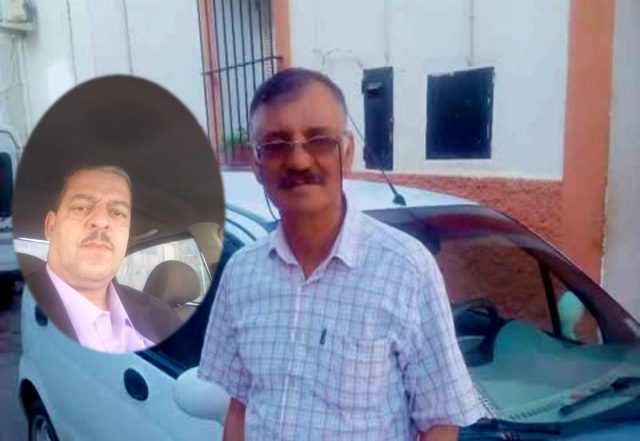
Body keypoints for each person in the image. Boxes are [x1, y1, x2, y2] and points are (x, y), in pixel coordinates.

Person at [198, 68, 485, 440]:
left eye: (318, 140)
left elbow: (440, 423)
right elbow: (240, 406)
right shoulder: (240, 274)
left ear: (346, 153)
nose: (299, 161)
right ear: (257, 164)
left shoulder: (406, 270)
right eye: (276, 144)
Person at [26, 165, 181, 353]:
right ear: (51, 227)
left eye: (117, 213)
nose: (101, 220)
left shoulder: (163, 318)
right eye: (80, 208)